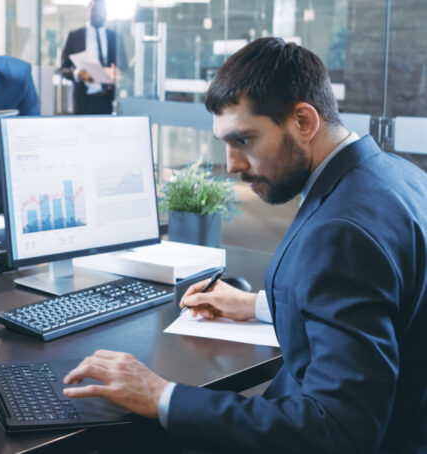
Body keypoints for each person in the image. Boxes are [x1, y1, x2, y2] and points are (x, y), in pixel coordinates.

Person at [62, 37, 427, 453]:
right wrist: (254, 305)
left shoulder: (340, 230)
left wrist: (161, 395)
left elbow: (338, 430)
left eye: (243, 140)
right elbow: (380, 310)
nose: (232, 164)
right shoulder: (397, 176)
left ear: (304, 122)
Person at [60, 0, 117, 114]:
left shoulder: (114, 37)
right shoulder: (74, 36)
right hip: (83, 100)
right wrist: (77, 74)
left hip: (108, 99)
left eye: (101, 10)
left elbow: (123, 67)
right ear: (88, 12)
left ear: (106, 13)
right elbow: (62, 69)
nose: (97, 13)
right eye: (94, 9)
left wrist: (116, 73)